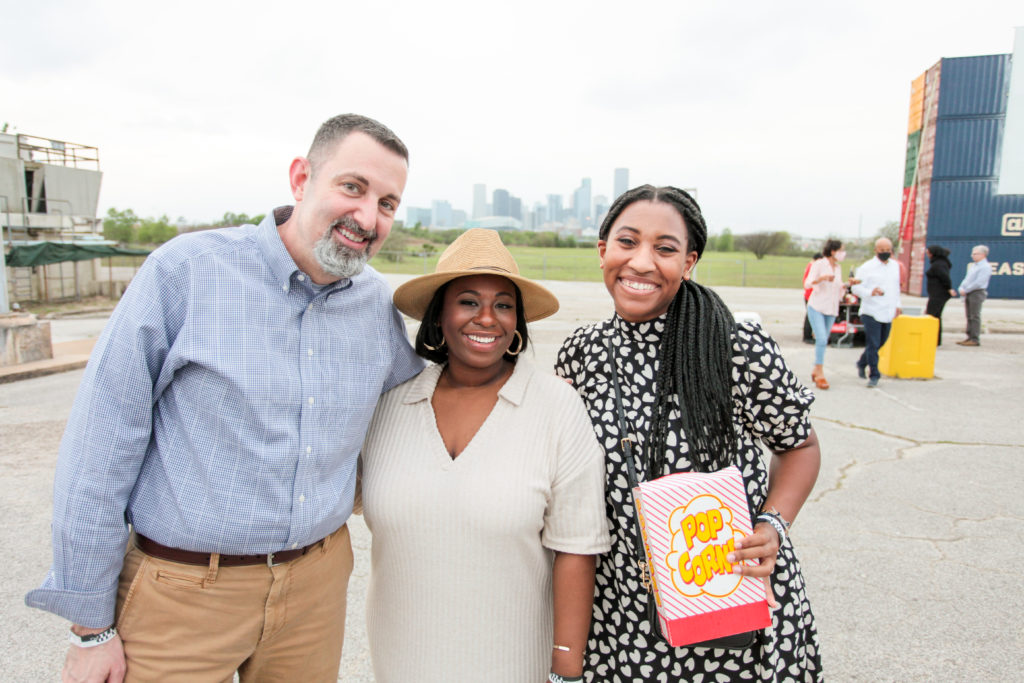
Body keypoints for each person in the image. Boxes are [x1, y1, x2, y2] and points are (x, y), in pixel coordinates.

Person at [25, 114, 424, 682]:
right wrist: (93, 629)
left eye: (388, 203)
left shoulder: (373, 304)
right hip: (182, 593)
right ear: (300, 178)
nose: (367, 217)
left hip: (315, 587)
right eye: (353, 187)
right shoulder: (185, 271)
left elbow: (411, 411)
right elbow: (101, 446)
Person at [555, 185, 823, 682]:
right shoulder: (581, 352)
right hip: (619, 612)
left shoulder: (734, 345)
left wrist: (772, 526)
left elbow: (799, 445)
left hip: (725, 606)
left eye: (665, 248)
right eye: (627, 242)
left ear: (690, 260)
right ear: (602, 251)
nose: (641, 262)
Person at [360, 228, 610, 682]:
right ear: (439, 316)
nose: (487, 318)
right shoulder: (389, 406)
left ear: (518, 321)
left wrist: (566, 669)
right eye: (469, 301)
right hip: (402, 660)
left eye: (503, 304)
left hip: (514, 664)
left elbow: (578, 548)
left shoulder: (557, 407)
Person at [851, 238, 902, 388]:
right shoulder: (867, 267)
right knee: (873, 344)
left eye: (888, 250)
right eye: (882, 250)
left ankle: (861, 362)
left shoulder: (895, 266)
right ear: (876, 250)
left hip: (888, 310)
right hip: (871, 311)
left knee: (880, 343)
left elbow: (895, 288)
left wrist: (897, 305)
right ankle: (874, 375)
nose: (885, 253)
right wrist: (870, 292)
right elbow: (856, 288)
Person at [804, 239, 846, 389]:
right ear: (833, 251)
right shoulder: (819, 264)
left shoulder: (838, 267)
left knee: (824, 340)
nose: (843, 254)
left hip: (832, 307)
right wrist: (822, 278)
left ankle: (815, 369)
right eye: (841, 250)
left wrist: (847, 285)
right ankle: (820, 372)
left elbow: (838, 287)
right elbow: (808, 283)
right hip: (817, 306)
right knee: (821, 338)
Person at [956, 244, 991, 346]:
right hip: (968, 292)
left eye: (975, 254)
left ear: (983, 255)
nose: (972, 255)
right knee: (969, 315)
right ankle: (969, 336)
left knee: (975, 316)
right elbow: (968, 279)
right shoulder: (974, 266)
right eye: (973, 253)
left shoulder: (985, 267)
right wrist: (962, 287)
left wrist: (966, 290)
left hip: (976, 292)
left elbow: (979, 282)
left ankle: (975, 339)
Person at [924, 245, 956, 345]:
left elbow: (944, 277)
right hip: (937, 294)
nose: (927, 254)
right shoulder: (940, 262)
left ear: (933, 253)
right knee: (936, 316)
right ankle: (935, 339)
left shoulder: (939, 264)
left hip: (938, 294)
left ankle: (931, 339)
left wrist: (949, 288)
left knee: (931, 316)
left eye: (928, 252)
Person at [802, 252, 823, 344]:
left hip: (809, 294)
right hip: (811, 294)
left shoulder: (810, 265)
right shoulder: (813, 266)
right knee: (810, 317)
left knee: (810, 316)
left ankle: (809, 335)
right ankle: (807, 336)